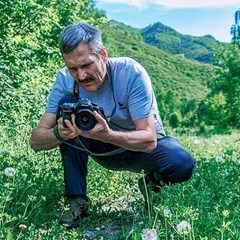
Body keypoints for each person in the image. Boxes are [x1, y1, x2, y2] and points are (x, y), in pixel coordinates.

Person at [29, 22, 195, 228]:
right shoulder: (64, 80)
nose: (81, 76)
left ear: (103, 56)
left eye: (86, 64)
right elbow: (36, 140)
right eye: (73, 68)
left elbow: (149, 139)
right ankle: (76, 200)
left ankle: (152, 186)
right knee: (67, 107)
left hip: (140, 149)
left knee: (181, 162)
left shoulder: (131, 73)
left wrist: (107, 134)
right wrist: (60, 133)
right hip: (98, 148)